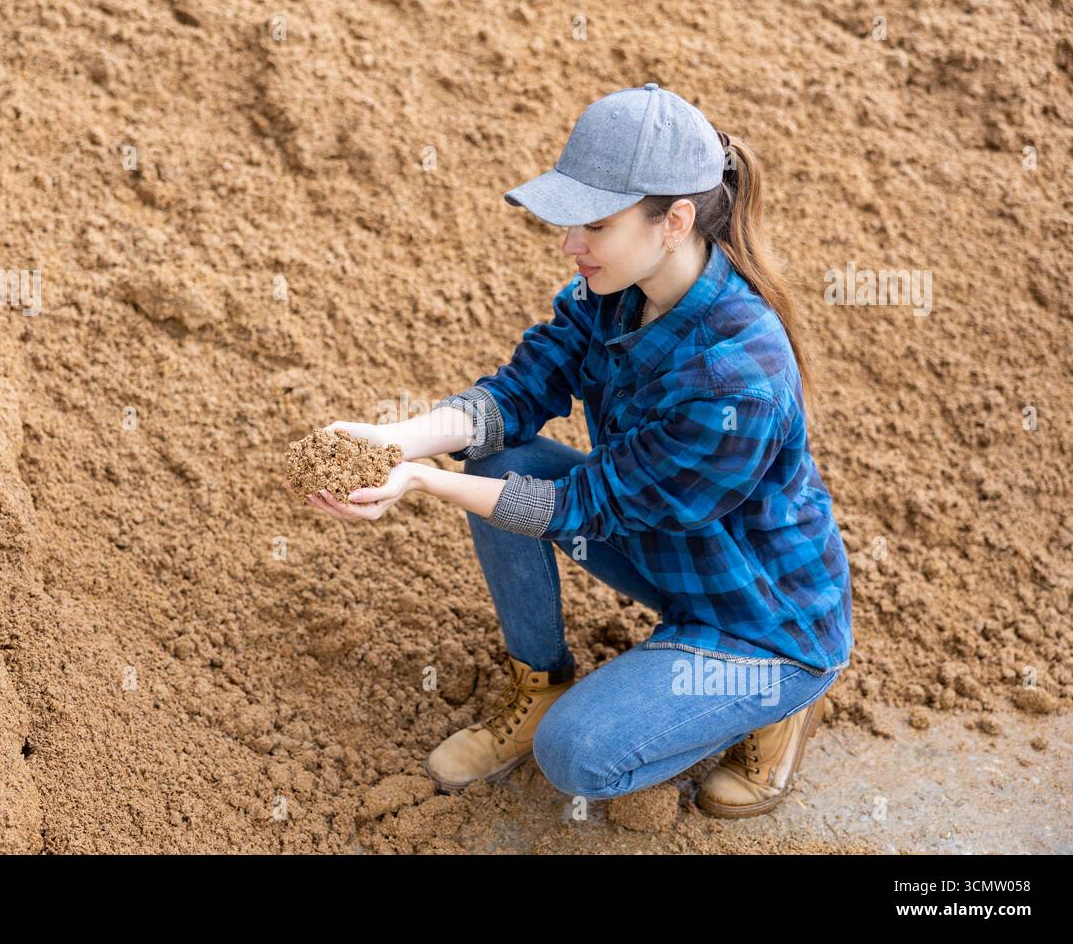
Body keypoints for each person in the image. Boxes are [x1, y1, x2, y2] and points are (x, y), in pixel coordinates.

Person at [290, 83, 853, 818]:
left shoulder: (737, 380)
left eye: (594, 221)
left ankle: (771, 701)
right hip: (669, 547)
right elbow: (521, 393)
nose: (570, 243)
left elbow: (583, 506)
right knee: (500, 459)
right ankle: (542, 679)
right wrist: (398, 440)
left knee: (577, 755)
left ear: (675, 221)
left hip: (759, 613)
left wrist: (424, 484)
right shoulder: (613, 289)